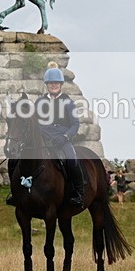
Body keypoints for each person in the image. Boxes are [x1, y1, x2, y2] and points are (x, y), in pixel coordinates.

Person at [7, 62, 84, 209]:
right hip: (43, 137)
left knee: (72, 160)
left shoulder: (68, 102)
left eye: (56, 83)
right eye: (51, 83)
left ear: (61, 84)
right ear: (47, 85)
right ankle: (15, 193)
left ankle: (78, 194)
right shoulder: (40, 101)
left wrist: (65, 137)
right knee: (14, 160)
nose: (53, 86)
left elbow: (75, 124)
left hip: (62, 139)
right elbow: (32, 121)